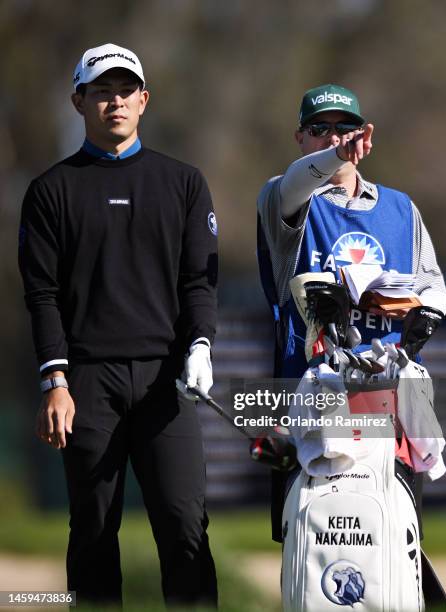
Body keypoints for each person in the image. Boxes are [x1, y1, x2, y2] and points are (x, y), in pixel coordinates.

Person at [18, 43, 218, 608]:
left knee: (185, 528)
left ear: (144, 100)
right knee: (93, 532)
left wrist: (201, 345)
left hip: (166, 381)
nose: (115, 102)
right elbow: (43, 294)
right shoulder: (51, 190)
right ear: (79, 100)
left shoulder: (183, 183)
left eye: (126, 90)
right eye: (101, 91)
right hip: (86, 383)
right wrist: (53, 381)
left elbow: (199, 282)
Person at [257, 84, 446, 541]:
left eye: (345, 128)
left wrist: (427, 314)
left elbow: (433, 284)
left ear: (366, 136)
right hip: (313, 402)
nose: (332, 136)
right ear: (299, 139)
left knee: (390, 543)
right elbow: (297, 181)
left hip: (389, 403)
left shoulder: (402, 209)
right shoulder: (284, 199)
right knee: (313, 547)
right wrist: (335, 155)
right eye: (319, 128)